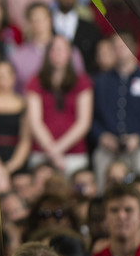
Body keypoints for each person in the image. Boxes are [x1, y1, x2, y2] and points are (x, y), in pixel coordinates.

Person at [90, 33, 140, 191]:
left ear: (134, 48)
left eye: (123, 46)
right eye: (115, 47)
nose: (119, 51)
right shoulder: (100, 81)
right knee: (101, 177)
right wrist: (102, 136)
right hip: (108, 145)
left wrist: (139, 138)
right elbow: (90, 118)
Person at [26, 36, 93, 176]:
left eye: (62, 49)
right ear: (48, 53)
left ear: (69, 53)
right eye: (54, 49)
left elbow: (84, 122)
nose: (58, 53)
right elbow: (35, 121)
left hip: (75, 153)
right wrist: (53, 152)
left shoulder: (82, 81)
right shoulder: (35, 81)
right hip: (41, 152)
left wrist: (57, 150)